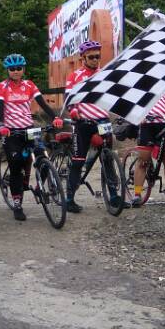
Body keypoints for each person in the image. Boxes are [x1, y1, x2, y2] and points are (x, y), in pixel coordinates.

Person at [0, 53, 63, 221]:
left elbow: (42, 103)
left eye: (19, 68)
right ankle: (17, 203)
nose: (16, 71)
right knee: (16, 166)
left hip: (28, 128)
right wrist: (1, 125)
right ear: (7, 70)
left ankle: (39, 187)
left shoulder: (29, 85)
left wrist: (55, 118)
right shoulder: (1, 87)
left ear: (23, 69)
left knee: (42, 157)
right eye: (12, 69)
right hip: (11, 131)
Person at [62, 40, 111, 213]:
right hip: (83, 122)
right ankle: (69, 199)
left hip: (103, 121)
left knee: (108, 159)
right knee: (77, 162)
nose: (95, 60)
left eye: (98, 56)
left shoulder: (105, 72)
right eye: (91, 57)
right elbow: (68, 98)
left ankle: (113, 197)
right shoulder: (75, 76)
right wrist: (73, 111)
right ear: (83, 57)